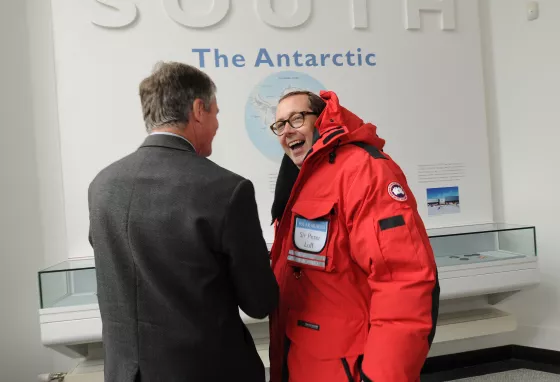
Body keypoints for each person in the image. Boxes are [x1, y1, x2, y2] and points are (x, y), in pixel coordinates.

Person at [88, 62, 279, 382]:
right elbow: (259, 301)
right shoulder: (226, 190)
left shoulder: (102, 186)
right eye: (216, 112)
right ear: (198, 109)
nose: (218, 124)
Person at [268, 90, 440, 382]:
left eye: (296, 119)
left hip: (348, 368)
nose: (287, 131)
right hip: (303, 359)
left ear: (322, 120)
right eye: (279, 125)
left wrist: (382, 377)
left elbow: (403, 280)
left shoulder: (364, 170)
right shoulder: (298, 179)